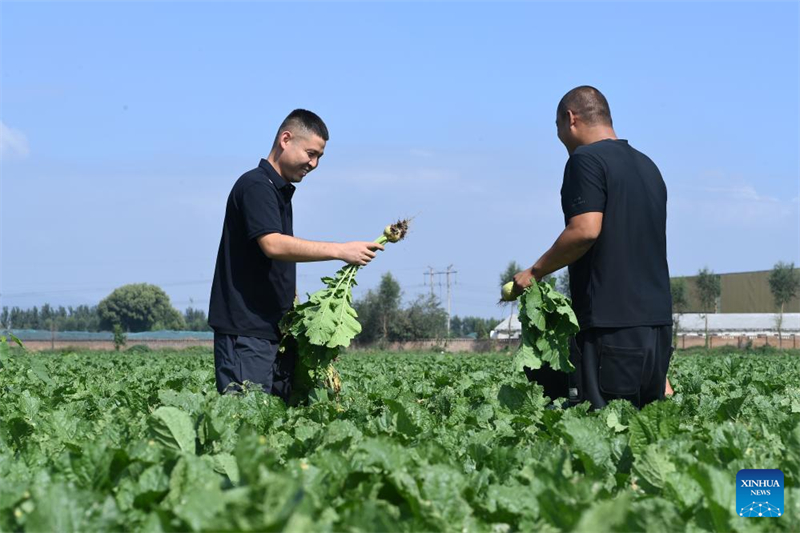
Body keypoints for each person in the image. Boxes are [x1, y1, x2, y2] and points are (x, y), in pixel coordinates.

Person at [512, 86, 673, 409]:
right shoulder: (647, 166)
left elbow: (585, 231)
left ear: (570, 119)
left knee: (607, 433)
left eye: (557, 126)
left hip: (612, 328)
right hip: (657, 329)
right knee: (646, 429)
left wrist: (535, 271)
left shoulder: (585, 161)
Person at [208, 109, 383, 401]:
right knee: (244, 427)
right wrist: (341, 250)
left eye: (319, 158)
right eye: (311, 153)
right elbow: (273, 245)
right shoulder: (255, 186)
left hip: (274, 335)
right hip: (247, 336)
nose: (313, 164)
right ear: (285, 139)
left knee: (275, 429)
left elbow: (272, 266)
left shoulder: (278, 192)